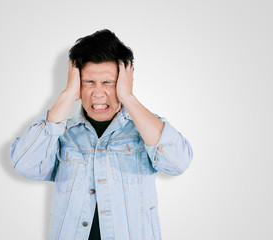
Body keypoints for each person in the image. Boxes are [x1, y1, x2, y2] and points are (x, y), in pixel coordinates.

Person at [10, 29, 193, 240]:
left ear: (125, 81)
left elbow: (178, 162)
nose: (98, 93)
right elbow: (25, 164)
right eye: (89, 82)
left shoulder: (145, 130)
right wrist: (68, 95)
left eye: (108, 82)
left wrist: (128, 97)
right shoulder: (61, 133)